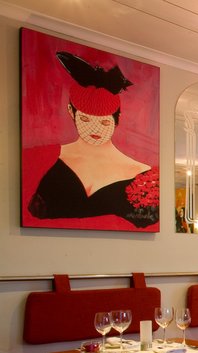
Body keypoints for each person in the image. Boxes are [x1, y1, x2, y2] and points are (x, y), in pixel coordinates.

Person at [25, 51, 158, 228]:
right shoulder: (42, 159)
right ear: (71, 112)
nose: (95, 129)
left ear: (117, 119)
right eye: (85, 119)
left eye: (104, 122)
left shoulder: (143, 175)